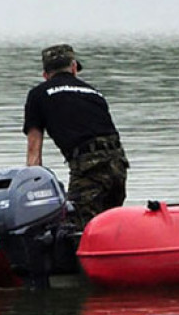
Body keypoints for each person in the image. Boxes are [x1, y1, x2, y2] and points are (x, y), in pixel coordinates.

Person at [23, 44, 129, 231]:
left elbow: (34, 150)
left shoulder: (38, 94)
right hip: (118, 165)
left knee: (78, 228)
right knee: (108, 225)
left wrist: (32, 193)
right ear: (73, 68)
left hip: (89, 168)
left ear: (45, 75)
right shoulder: (94, 93)